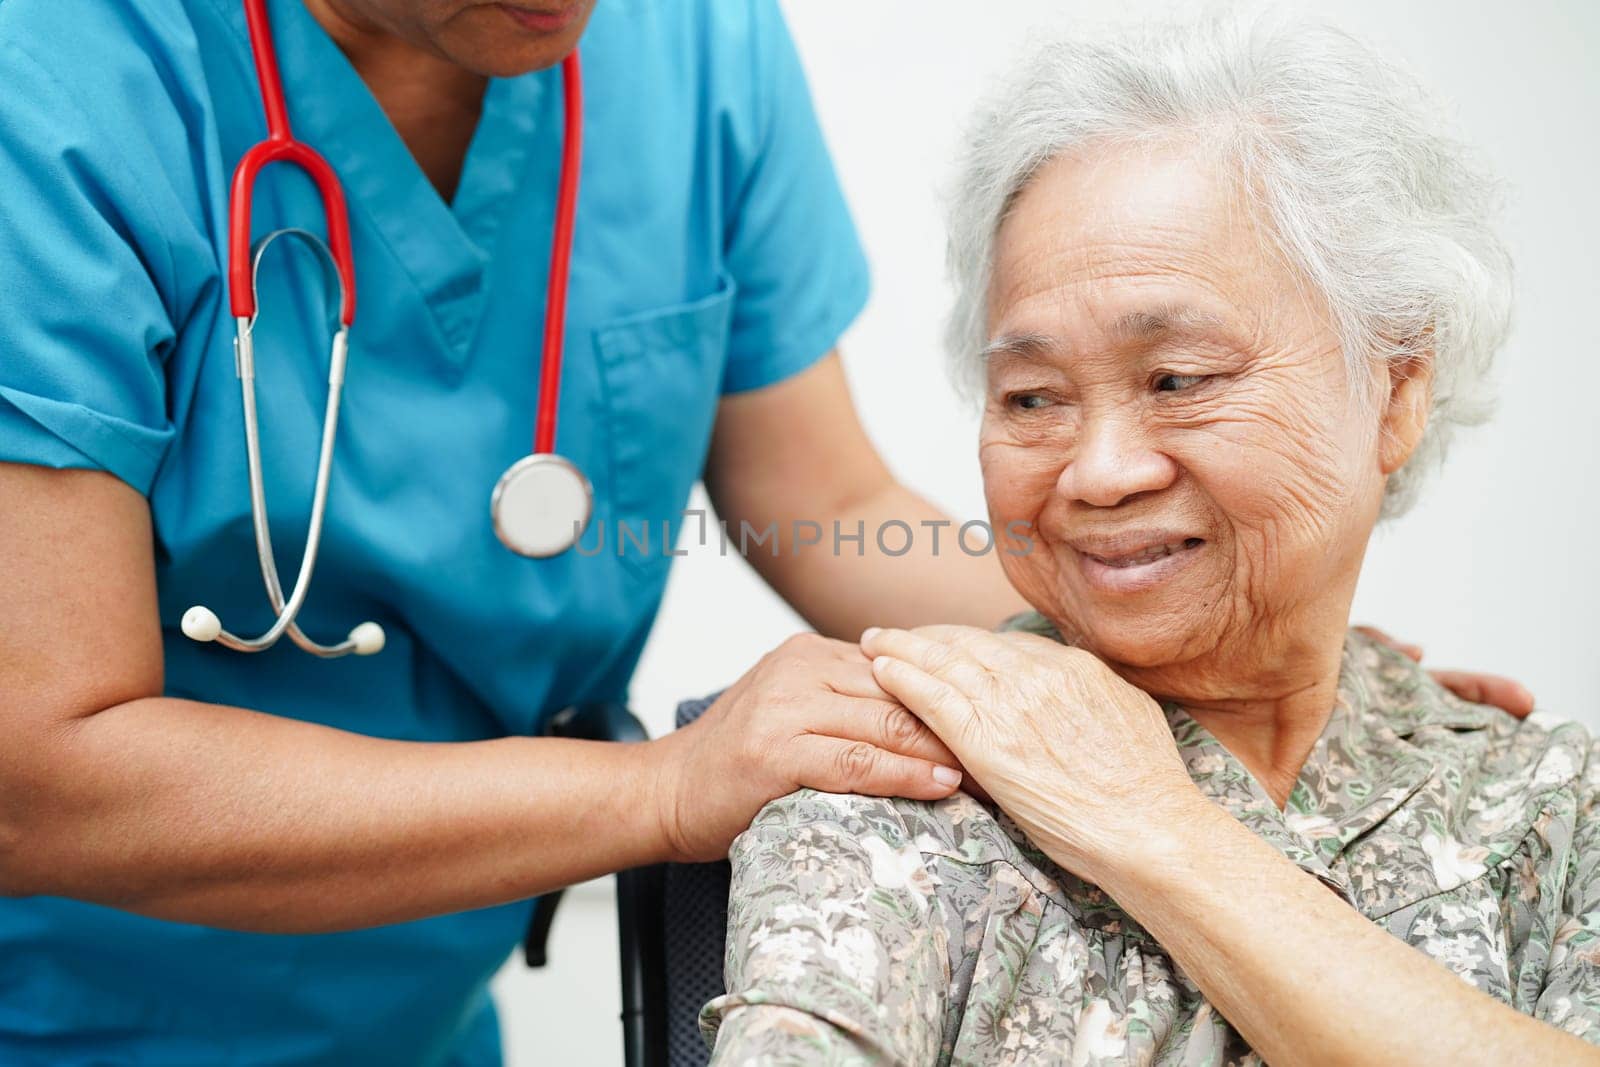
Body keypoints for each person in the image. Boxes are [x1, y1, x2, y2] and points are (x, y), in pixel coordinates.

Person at [0, 1, 1525, 1064]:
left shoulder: (685, 37)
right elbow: (38, 770)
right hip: (76, 1010)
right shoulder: (56, 85)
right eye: (1042, 393)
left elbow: (836, 506)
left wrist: (1225, 625)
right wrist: (664, 788)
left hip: (423, 1012)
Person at [700, 15, 1600, 1066]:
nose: (1098, 469)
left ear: (1396, 389)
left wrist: (1154, 823)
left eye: (1178, 379)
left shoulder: (1546, 803)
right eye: (1031, 396)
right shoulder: (889, 792)